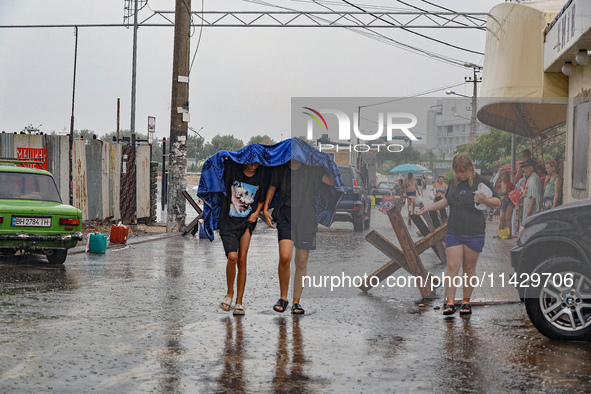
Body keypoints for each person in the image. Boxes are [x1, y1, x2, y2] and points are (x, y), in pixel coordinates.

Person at [417, 153, 500, 316]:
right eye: (458, 171)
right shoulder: (453, 182)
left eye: (463, 171)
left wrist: (485, 200)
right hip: (454, 231)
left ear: (470, 168)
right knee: (452, 267)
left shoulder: (481, 181)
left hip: (474, 232)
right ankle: (449, 303)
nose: (460, 174)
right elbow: (447, 201)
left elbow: (498, 201)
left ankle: (466, 302)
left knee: (469, 269)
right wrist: (428, 208)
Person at [263, 159, 335, 315]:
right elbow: (271, 189)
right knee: (285, 256)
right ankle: (283, 297)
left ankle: (296, 302)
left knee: (301, 261)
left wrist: (329, 164)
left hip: (306, 215)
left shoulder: (311, 169)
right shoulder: (281, 169)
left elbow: (331, 181)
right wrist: (265, 208)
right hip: (285, 214)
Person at [219, 159, 267, 315]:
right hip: (228, 221)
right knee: (232, 256)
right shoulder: (234, 170)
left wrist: (255, 213)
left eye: (256, 164)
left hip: (246, 222)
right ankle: (229, 293)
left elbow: (261, 199)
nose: (253, 167)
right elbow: (220, 163)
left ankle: (239, 302)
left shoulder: (261, 176)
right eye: (250, 163)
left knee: (242, 260)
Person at [520, 158, 543, 229]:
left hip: (531, 202)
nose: (525, 170)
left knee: (527, 222)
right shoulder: (531, 177)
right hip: (527, 201)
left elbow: (534, 194)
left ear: (532, 168)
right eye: (524, 169)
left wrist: (530, 207)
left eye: (527, 168)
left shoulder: (534, 178)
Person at [495, 171, 514, 238]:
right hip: (502, 203)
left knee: (507, 218)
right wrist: (500, 198)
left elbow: (512, 194)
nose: (504, 178)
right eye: (502, 176)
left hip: (509, 202)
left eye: (505, 176)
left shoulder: (510, 184)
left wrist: (504, 197)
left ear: (507, 177)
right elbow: (497, 194)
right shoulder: (499, 185)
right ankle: (500, 233)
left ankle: (509, 234)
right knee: (501, 218)